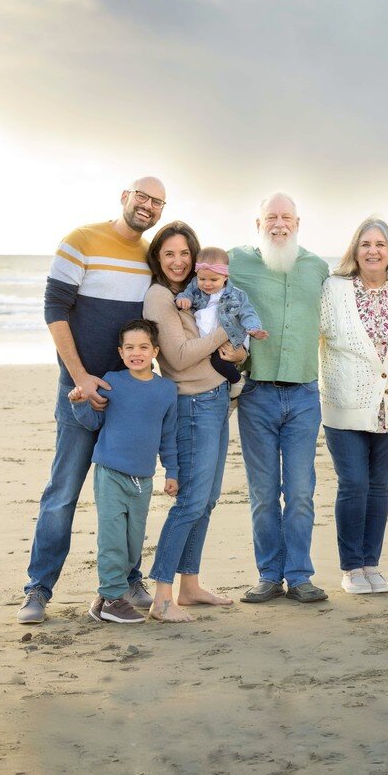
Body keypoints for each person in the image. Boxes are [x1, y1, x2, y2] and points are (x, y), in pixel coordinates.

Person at [18, 177, 166, 624]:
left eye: (158, 202)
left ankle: (128, 582)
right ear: (124, 197)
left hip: (128, 400)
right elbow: (54, 310)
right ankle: (38, 590)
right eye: (142, 196)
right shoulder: (80, 241)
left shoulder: (149, 258)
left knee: (130, 494)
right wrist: (80, 377)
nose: (148, 205)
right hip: (82, 394)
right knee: (62, 494)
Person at [142, 221, 245, 622]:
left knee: (209, 500)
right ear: (158, 258)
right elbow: (181, 357)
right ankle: (162, 597)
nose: (178, 261)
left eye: (185, 253)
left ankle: (189, 585)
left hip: (217, 400)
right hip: (192, 406)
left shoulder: (194, 294)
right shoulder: (158, 298)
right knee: (190, 502)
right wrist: (226, 330)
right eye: (169, 253)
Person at [230, 193, 330, 604]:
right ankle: (270, 575)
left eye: (286, 217)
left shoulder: (318, 268)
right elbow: (201, 292)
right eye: (270, 216)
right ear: (258, 224)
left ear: (298, 223)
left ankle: (300, 575)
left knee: (302, 489)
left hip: (305, 394)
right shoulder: (237, 262)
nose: (278, 223)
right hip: (256, 393)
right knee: (264, 492)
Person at [319, 217, 388, 595]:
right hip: (344, 401)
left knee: (379, 486)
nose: (373, 250)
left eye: (380, 244)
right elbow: (315, 334)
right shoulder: (334, 288)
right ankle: (351, 567)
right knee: (354, 483)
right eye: (365, 244)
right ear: (354, 252)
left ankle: (371, 563)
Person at [68, 319, 179, 624]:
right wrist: (79, 404)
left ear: (155, 351)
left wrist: (172, 471)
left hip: (143, 479)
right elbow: (94, 422)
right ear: (120, 351)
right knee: (113, 538)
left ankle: (105, 599)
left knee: (132, 542)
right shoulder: (111, 381)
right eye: (129, 347)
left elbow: (168, 436)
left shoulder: (166, 390)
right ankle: (112, 598)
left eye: (143, 347)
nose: (136, 352)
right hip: (110, 472)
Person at [175, 246, 268, 389]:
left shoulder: (237, 295)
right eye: (202, 278)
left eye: (213, 279)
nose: (207, 284)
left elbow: (248, 313)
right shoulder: (195, 287)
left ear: (225, 277)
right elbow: (185, 294)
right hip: (207, 337)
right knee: (202, 361)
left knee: (218, 361)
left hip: (229, 337)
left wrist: (254, 329)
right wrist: (183, 299)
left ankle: (237, 381)